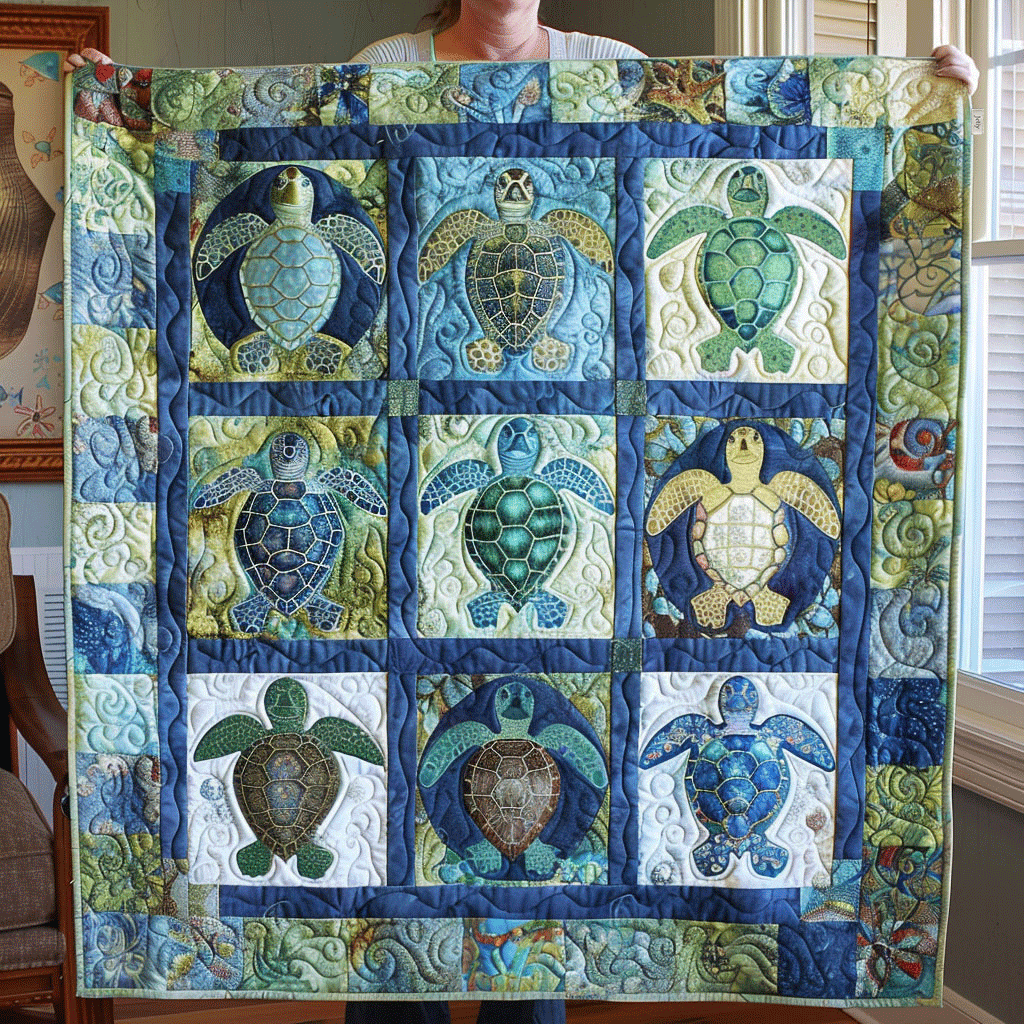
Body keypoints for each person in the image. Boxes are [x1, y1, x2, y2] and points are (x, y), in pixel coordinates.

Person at [62, 6, 979, 1024]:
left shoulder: (613, 72)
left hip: (572, 549)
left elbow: (708, 188)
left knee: (533, 956)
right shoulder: (386, 69)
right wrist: (121, 117)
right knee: (391, 942)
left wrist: (927, 108)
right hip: (419, 546)